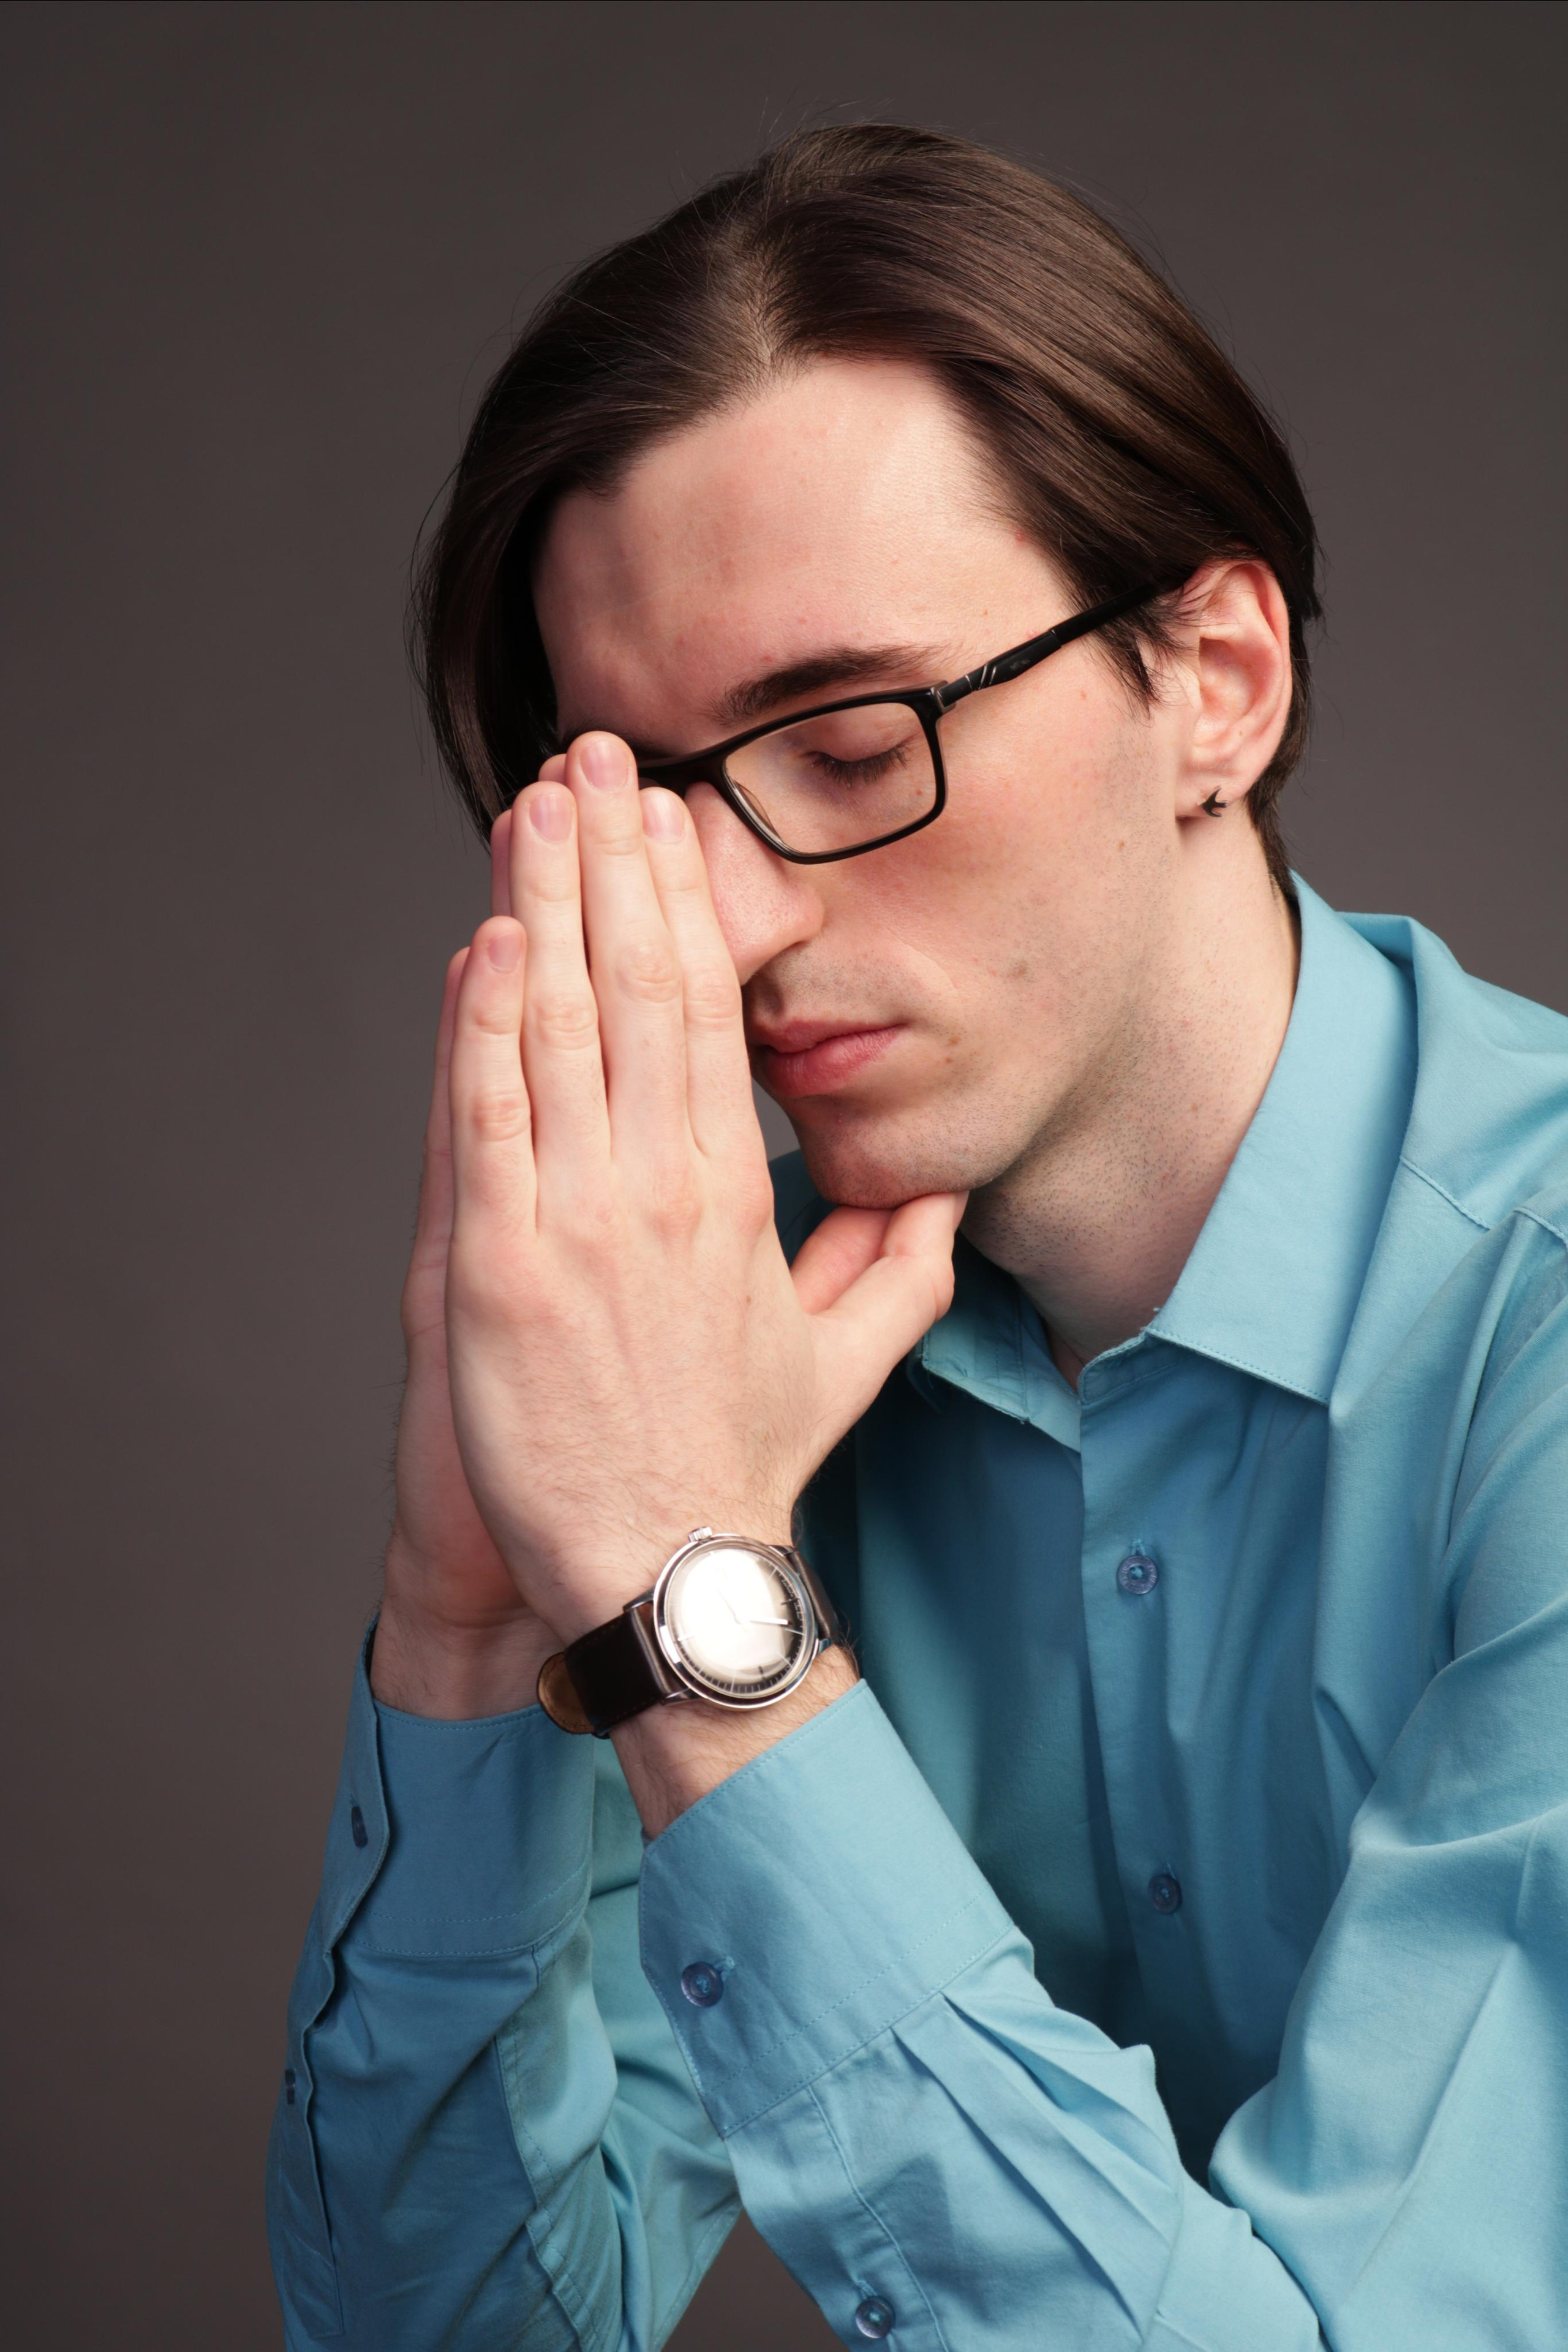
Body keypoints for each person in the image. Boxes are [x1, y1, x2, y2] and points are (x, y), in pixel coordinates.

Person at [267, 126, 1568, 2350]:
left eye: (856, 744)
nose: (745, 910)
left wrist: (696, 1611)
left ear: (1218, 681)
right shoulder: (723, 1355)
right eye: (655, 803)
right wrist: (470, 1608)